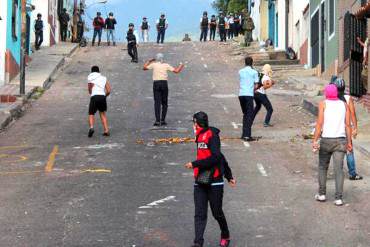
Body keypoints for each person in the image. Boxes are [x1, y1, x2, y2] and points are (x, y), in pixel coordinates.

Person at [185, 111, 236, 247]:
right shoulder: (199, 135)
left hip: (215, 180)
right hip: (200, 179)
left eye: (194, 122)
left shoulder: (212, 136)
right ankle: (198, 243)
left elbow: (217, 157)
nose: (193, 125)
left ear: (197, 123)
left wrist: (228, 175)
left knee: (217, 212)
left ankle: (225, 235)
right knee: (199, 213)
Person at [312, 84, 352, 206]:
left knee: (323, 167)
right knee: (339, 169)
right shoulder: (344, 105)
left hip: (326, 140)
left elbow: (319, 123)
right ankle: (338, 198)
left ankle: (322, 194)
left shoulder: (323, 104)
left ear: (326, 93)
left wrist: (315, 140)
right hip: (340, 141)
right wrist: (349, 143)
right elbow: (348, 125)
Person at [330, 77, 363, 181]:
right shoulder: (348, 99)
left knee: (333, 151)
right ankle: (352, 173)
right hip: (345, 129)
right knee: (349, 150)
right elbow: (353, 114)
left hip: (333, 128)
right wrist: (355, 128)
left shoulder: (330, 99)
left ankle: (335, 173)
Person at [143, 53, 184, 126]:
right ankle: (163, 120)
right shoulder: (166, 65)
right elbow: (177, 71)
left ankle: (157, 121)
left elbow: (144, 68)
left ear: (156, 58)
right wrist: (181, 65)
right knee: (164, 103)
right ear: (162, 58)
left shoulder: (154, 64)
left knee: (157, 103)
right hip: (164, 84)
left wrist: (149, 61)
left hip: (156, 84)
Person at [87, 66, 111, 138]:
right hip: (102, 96)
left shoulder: (90, 78)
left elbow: (90, 91)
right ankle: (106, 130)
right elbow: (109, 90)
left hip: (94, 96)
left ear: (92, 71)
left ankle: (91, 127)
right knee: (102, 113)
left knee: (91, 113)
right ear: (98, 71)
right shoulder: (104, 78)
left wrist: (91, 88)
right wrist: (105, 96)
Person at [239, 57, 259, 141]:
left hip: (241, 95)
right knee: (249, 115)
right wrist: (254, 90)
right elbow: (256, 85)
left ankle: (244, 134)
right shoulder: (254, 72)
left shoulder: (240, 71)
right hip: (249, 95)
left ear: (245, 63)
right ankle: (247, 135)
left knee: (245, 114)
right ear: (252, 63)